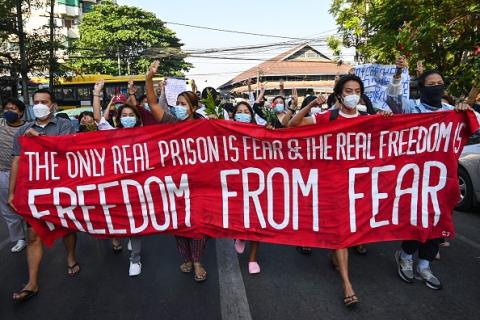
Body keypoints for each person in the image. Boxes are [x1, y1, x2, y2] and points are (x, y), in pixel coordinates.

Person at [289, 74, 386, 307]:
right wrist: (312, 104)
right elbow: (293, 124)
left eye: (357, 91)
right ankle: (346, 283)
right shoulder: (328, 116)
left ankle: (335, 255)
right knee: (341, 230)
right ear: (339, 95)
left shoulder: (367, 118)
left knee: (350, 229)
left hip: (359, 184)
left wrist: (387, 118)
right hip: (332, 184)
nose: (353, 95)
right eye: (348, 91)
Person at [388, 56, 473, 290]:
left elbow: (471, 126)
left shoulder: (451, 111)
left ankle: (424, 265)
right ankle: (405, 257)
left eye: (440, 84)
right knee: (417, 220)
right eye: (431, 84)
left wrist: (465, 110)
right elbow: (392, 99)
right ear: (421, 88)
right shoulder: (410, 108)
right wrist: (398, 73)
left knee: (438, 222)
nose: (436, 87)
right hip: (414, 178)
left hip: (441, 179)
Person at [9, 89, 80, 302]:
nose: (39, 105)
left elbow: (67, 152)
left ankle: (70, 257)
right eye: (36, 101)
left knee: (66, 226)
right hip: (35, 190)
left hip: (61, 187)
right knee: (32, 234)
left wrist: (39, 138)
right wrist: (12, 192)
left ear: (53, 105)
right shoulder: (23, 131)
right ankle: (32, 283)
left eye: (44, 102)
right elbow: (16, 161)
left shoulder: (65, 126)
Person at [146, 60, 208, 282]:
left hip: (199, 183)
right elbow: (153, 103)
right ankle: (186, 258)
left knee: (197, 223)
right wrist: (149, 78)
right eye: (177, 103)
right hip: (174, 183)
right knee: (178, 221)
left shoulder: (205, 126)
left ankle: (198, 260)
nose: (177, 107)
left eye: (182, 104)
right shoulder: (171, 122)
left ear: (192, 107)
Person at [92, 80, 145, 273]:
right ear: (119, 118)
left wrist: (132, 95)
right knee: (121, 219)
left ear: (137, 118)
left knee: (136, 223)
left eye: (132, 115)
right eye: (125, 115)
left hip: (140, 187)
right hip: (118, 187)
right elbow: (98, 119)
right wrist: (97, 93)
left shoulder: (147, 134)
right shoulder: (112, 133)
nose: (128, 118)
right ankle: (131, 241)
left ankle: (135, 259)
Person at [230, 101, 262, 274]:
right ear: (234, 115)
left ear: (251, 115)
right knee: (238, 215)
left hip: (256, 182)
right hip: (235, 182)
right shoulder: (225, 131)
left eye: (246, 111)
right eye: (239, 112)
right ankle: (240, 235)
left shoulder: (259, 131)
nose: (243, 114)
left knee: (257, 222)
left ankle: (253, 259)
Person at [0, 98, 27, 253]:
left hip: (24, 173)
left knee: (26, 205)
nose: (9, 111)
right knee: (7, 208)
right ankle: (19, 238)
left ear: (21, 112)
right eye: (7, 108)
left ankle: (33, 233)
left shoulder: (27, 128)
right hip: (3, 172)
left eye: (14, 108)